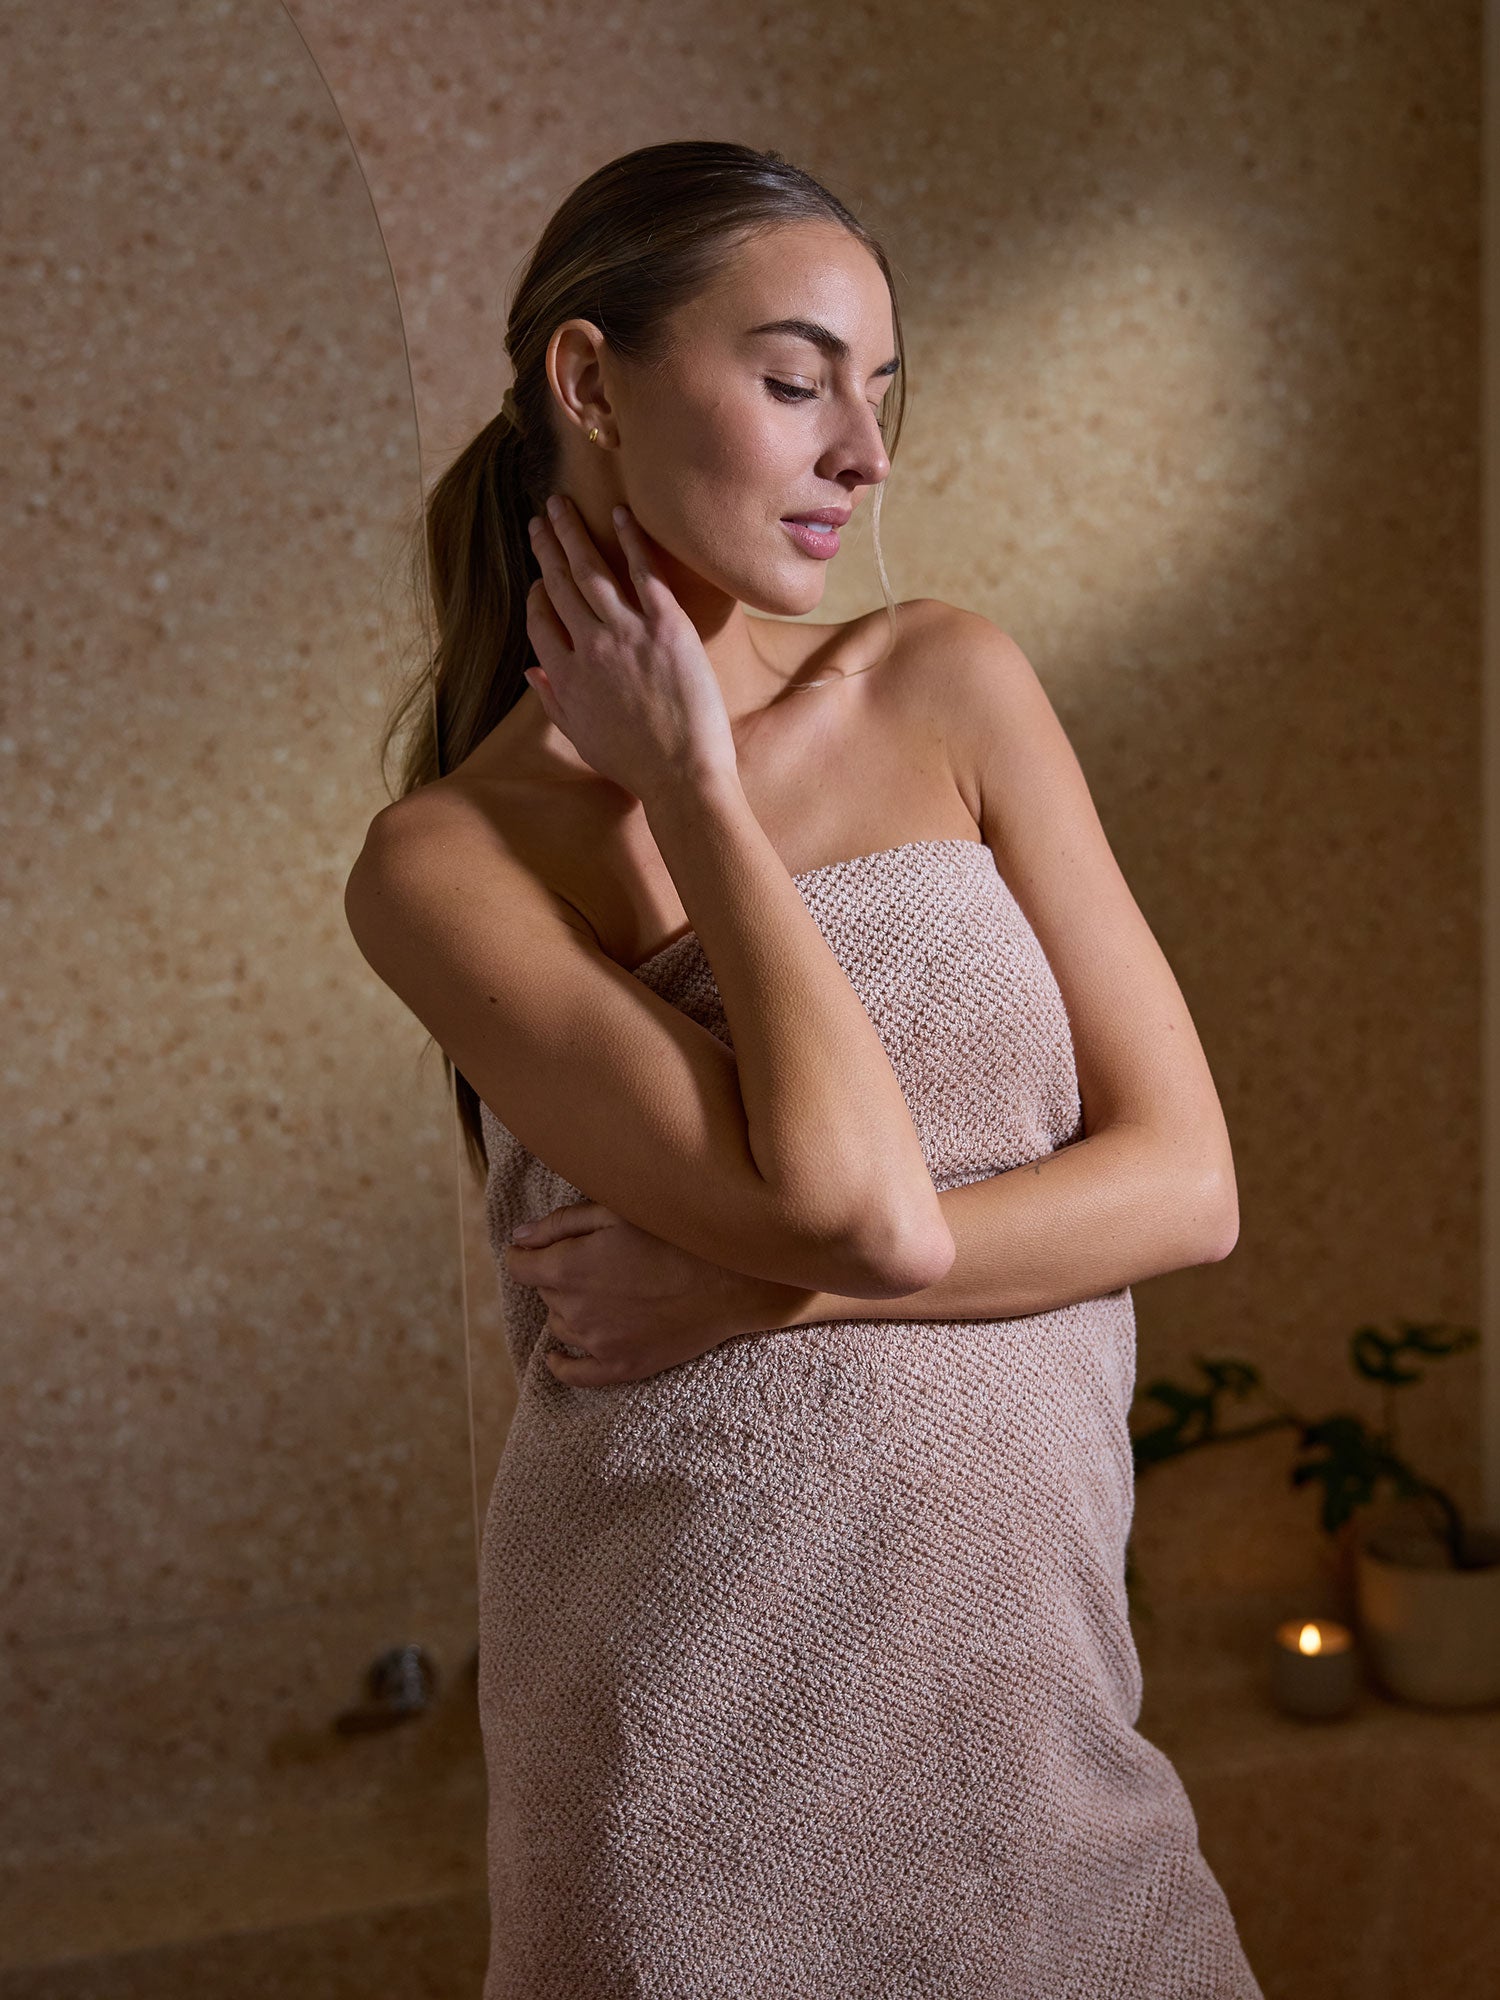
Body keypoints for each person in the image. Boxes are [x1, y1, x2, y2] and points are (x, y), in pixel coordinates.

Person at [344, 139, 1263, 2000]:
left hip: (1034, 1709)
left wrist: (751, 1286)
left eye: (881, 391)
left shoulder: (947, 682)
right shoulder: (446, 864)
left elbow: (1187, 1187)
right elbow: (866, 1212)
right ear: (589, 386)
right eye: (795, 381)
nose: (865, 450)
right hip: (694, 1731)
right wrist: (693, 783)